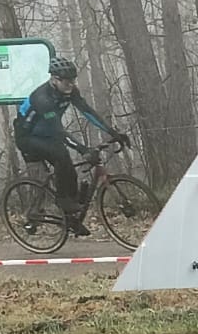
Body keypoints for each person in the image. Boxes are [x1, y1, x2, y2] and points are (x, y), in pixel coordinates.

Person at [12, 58, 126, 237]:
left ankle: (70, 220)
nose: (71, 85)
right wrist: (82, 149)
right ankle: (62, 202)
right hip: (27, 137)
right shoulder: (42, 99)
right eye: (66, 82)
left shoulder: (70, 91)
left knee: (70, 172)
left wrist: (113, 132)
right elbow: (58, 131)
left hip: (47, 134)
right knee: (61, 156)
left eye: (73, 80)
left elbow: (87, 112)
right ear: (54, 80)